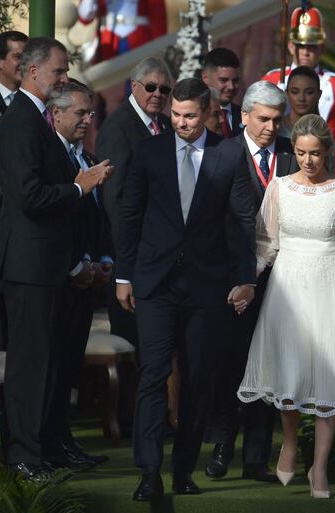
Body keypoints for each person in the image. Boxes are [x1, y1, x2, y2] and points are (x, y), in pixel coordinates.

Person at [237, 114, 335, 499]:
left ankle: (319, 468)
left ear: (328, 151)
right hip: (287, 289)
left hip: (331, 287)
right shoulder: (278, 188)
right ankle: (290, 443)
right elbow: (264, 245)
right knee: (288, 368)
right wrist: (246, 284)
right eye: (302, 153)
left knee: (329, 376)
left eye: (316, 153)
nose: (308, 161)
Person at [116, 78, 257, 501]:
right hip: (155, 282)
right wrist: (124, 275)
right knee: (153, 375)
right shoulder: (148, 151)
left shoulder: (228, 153)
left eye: (189, 116)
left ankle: (183, 470)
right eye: (175, 115)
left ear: (208, 111)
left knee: (198, 379)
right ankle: (149, 470)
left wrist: (245, 277)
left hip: (206, 284)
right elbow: (129, 213)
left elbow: (243, 220)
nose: (180, 123)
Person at [0, 36, 112, 480]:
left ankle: (45, 444)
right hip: (28, 266)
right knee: (29, 363)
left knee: (52, 361)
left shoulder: (34, 118)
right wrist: (81, 186)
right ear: (32, 71)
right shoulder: (21, 120)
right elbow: (28, 196)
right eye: (59, 71)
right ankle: (22, 453)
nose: (64, 79)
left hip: (48, 265)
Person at [204, 80, 298, 483]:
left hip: (281, 282)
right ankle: (223, 447)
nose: (270, 127)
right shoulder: (223, 152)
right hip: (233, 281)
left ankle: (257, 457)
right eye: (262, 119)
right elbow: (209, 219)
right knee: (230, 366)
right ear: (244, 116)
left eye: (277, 120)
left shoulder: (292, 154)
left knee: (269, 364)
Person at [49, 81, 112, 467]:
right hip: (59, 278)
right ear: (55, 114)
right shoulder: (53, 159)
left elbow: (97, 219)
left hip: (88, 277)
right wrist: (76, 265)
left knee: (70, 362)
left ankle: (64, 439)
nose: (88, 120)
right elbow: (53, 222)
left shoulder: (88, 158)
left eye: (90, 113)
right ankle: (51, 443)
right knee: (55, 366)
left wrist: (103, 258)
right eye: (80, 113)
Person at [95, 57, 171, 348]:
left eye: (164, 90)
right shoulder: (118, 127)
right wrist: (125, 265)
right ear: (134, 86)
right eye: (151, 87)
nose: (158, 95)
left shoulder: (164, 124)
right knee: (133, 343)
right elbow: (115, 200)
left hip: (160, 253)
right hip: (132, 255)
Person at [262, 5, 335, 176]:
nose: (305, 51)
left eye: (311, 46)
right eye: (300, 45)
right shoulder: (272, 80)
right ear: (290, 46)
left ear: (321, 48)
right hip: (281, 161)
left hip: (326, 164)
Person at [77, 0, 167, 62]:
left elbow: (159, 18)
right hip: (109, 40)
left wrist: (159, 47)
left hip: (139, 39)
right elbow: (85, 17)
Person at [201, 48, 243, 138]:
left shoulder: (246, 116)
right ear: (205, 78)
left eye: (235, 81)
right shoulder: (195, 118)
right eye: (223, 80)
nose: (231, 87)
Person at [0, 31, 28, 117]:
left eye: (28, 57)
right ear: (0, 61)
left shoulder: (33, 98)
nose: (25, 62)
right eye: (18, 57)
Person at [280, 66, 321, 139]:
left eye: (309, 92)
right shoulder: (275, 129)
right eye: (295, 92)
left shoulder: (324, 133)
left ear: (319, 95)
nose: (301, 98)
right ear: (287, 94)